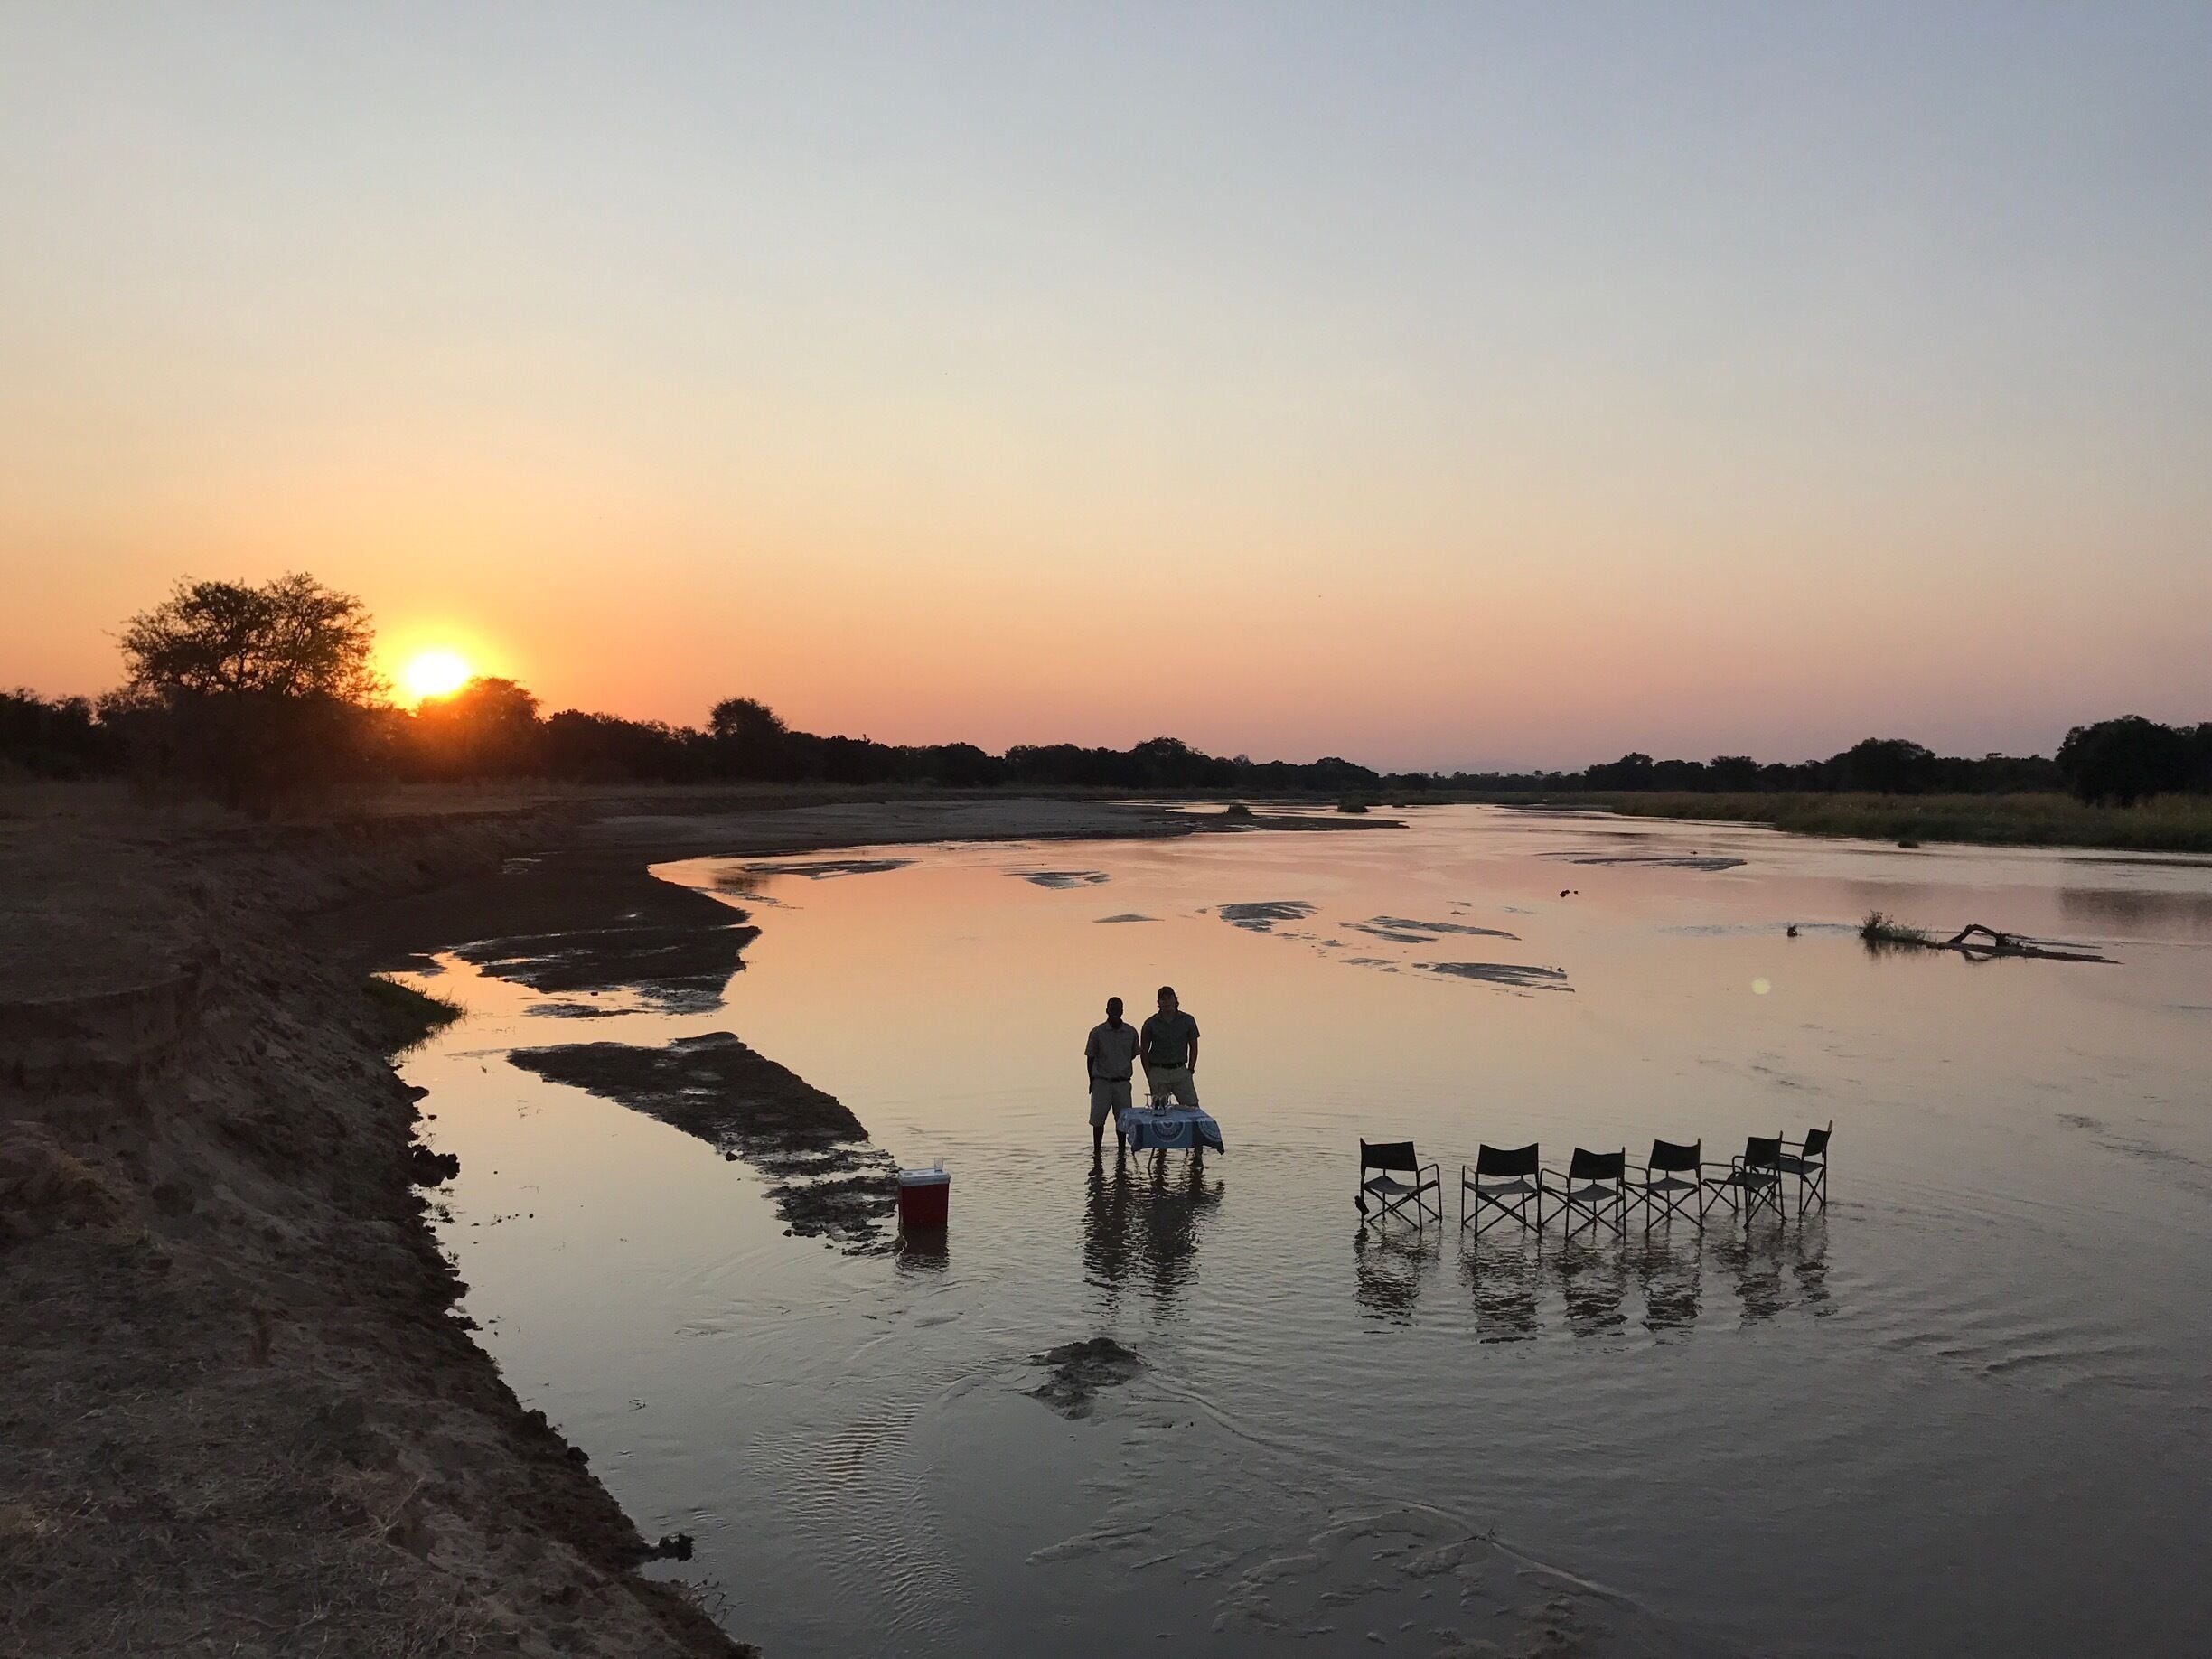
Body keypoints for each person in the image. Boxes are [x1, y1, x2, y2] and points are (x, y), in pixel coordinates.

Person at [1083, 996, 1141, 1154]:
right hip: (1101, 1082)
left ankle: (1122, 1154)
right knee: (1098, 1121)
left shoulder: (1131, 1032)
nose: (1114, 1012)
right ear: (1107, 1010)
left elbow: (1134, 1054)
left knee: (1123, 1122)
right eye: (1112, 1009)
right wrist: (1091, 1080)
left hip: (1122, 1083)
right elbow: (1090, 1058)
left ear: (1122, 1011)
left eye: (1118, 1009)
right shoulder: (1097, 1032)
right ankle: (1096, 1153)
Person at [1139, 985, 1201, 1109]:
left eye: (1169, 998)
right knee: (1159, 1110)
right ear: (1159, 1002)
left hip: (1180, 1070)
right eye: (1163, 999)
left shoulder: (1188, 1020)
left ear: (1175, 999)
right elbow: (1144, 1050)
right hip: (1158, 1071)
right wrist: (1149, 1073)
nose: (1166, 1001)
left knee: (1192, 1108)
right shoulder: (1150, 1024)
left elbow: (1194, 1046)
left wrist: (1190, 1069)